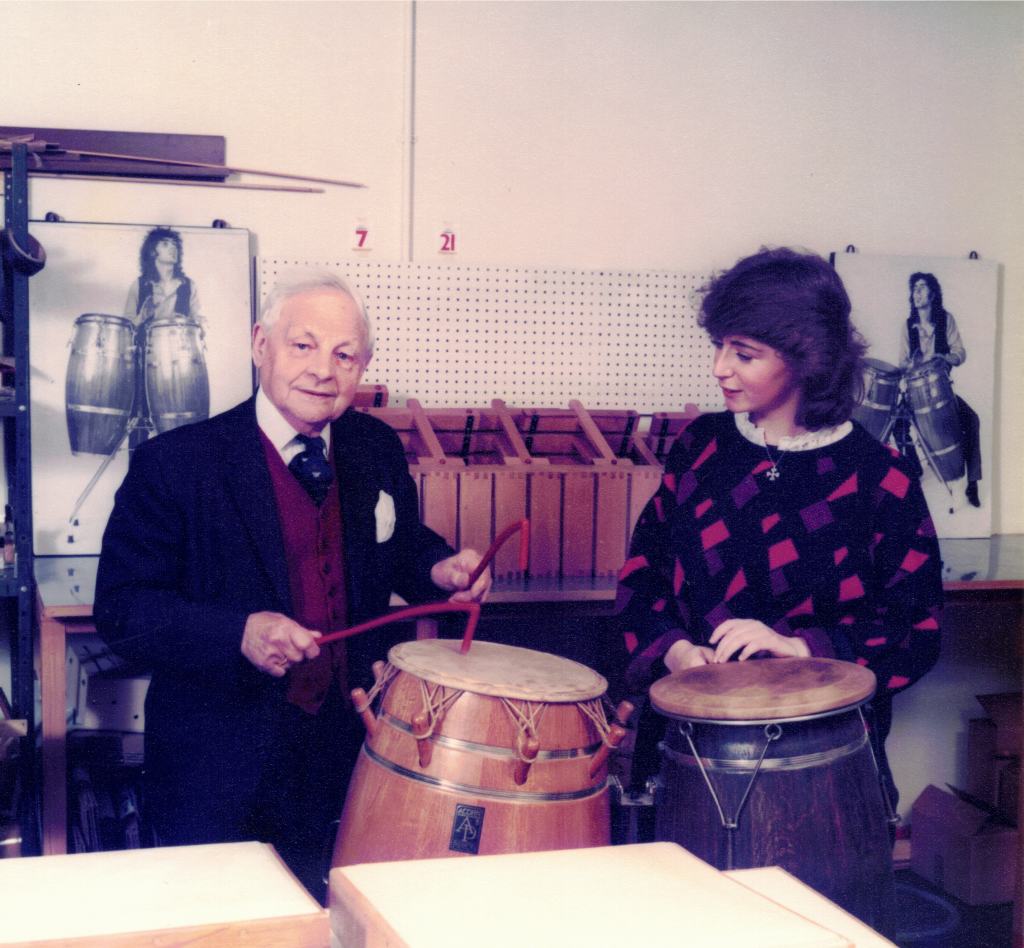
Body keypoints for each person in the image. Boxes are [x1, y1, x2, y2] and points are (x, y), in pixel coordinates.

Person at [95, 272, 490, 902]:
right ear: (261, 346)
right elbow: (123, 608)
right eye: (303, 346)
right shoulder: (175, 462)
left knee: (333, 918)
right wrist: (238, 634)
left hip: (348, 747)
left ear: (362, 367)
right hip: (217, 765)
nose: (323, 371)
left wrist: (440, 569)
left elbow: (401, 543)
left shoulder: (373, 446)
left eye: (344, 355)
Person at [615, 247, 942, 821]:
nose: (720, 367)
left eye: (744, 353)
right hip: (683, 757)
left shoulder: (879, 477)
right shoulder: (700, 447)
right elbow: (641, 580)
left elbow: (915, 630)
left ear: (806, 358)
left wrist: (802, 651)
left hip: (823, 780)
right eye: (719, 346)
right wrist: (675, 651)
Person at [899, 272, 982, 507]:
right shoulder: (908, 326)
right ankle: (914, 470)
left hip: (941, 391)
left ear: (933, 293)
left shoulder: (946, 320)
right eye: (913, 289)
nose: (916, 293)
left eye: (922, 288)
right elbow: (902, 363)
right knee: (898, 424)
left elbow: (960, 352)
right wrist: (911, 363)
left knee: (972, 420)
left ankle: (973, 483)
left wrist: (944, 357)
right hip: (916, 394)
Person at [123, 226, 200, 324]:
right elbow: (126, 327)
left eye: (174, 244)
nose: (173, 247)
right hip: (147, 340)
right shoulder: (138, 285)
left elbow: (201, 322)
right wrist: (142, 317)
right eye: (165, 244)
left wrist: (191, 322)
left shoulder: (189, 285)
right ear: (152, 252)